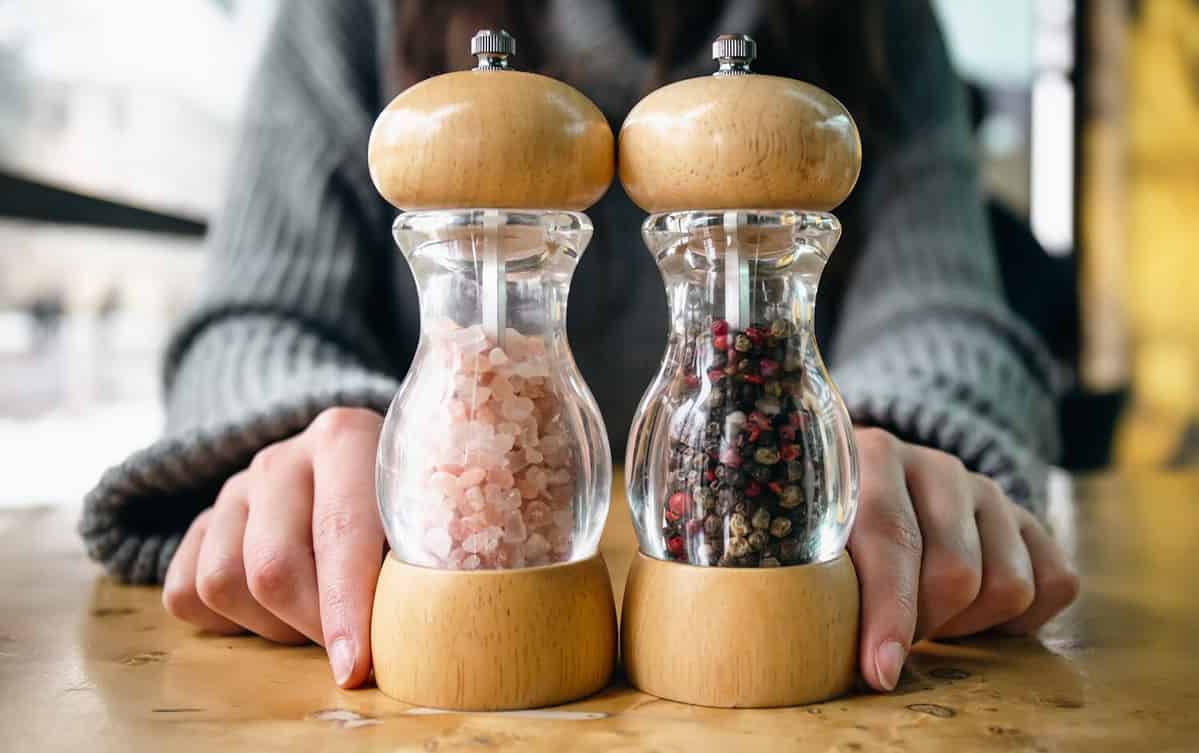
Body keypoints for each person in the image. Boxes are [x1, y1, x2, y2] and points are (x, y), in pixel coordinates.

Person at [80, 0, 1079, 694]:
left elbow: (943, 315)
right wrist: (308, 432)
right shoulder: (353, 14)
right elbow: (251, 317)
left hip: (796, 532)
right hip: (429, 536)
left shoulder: (873, 21)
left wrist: (885, 447)